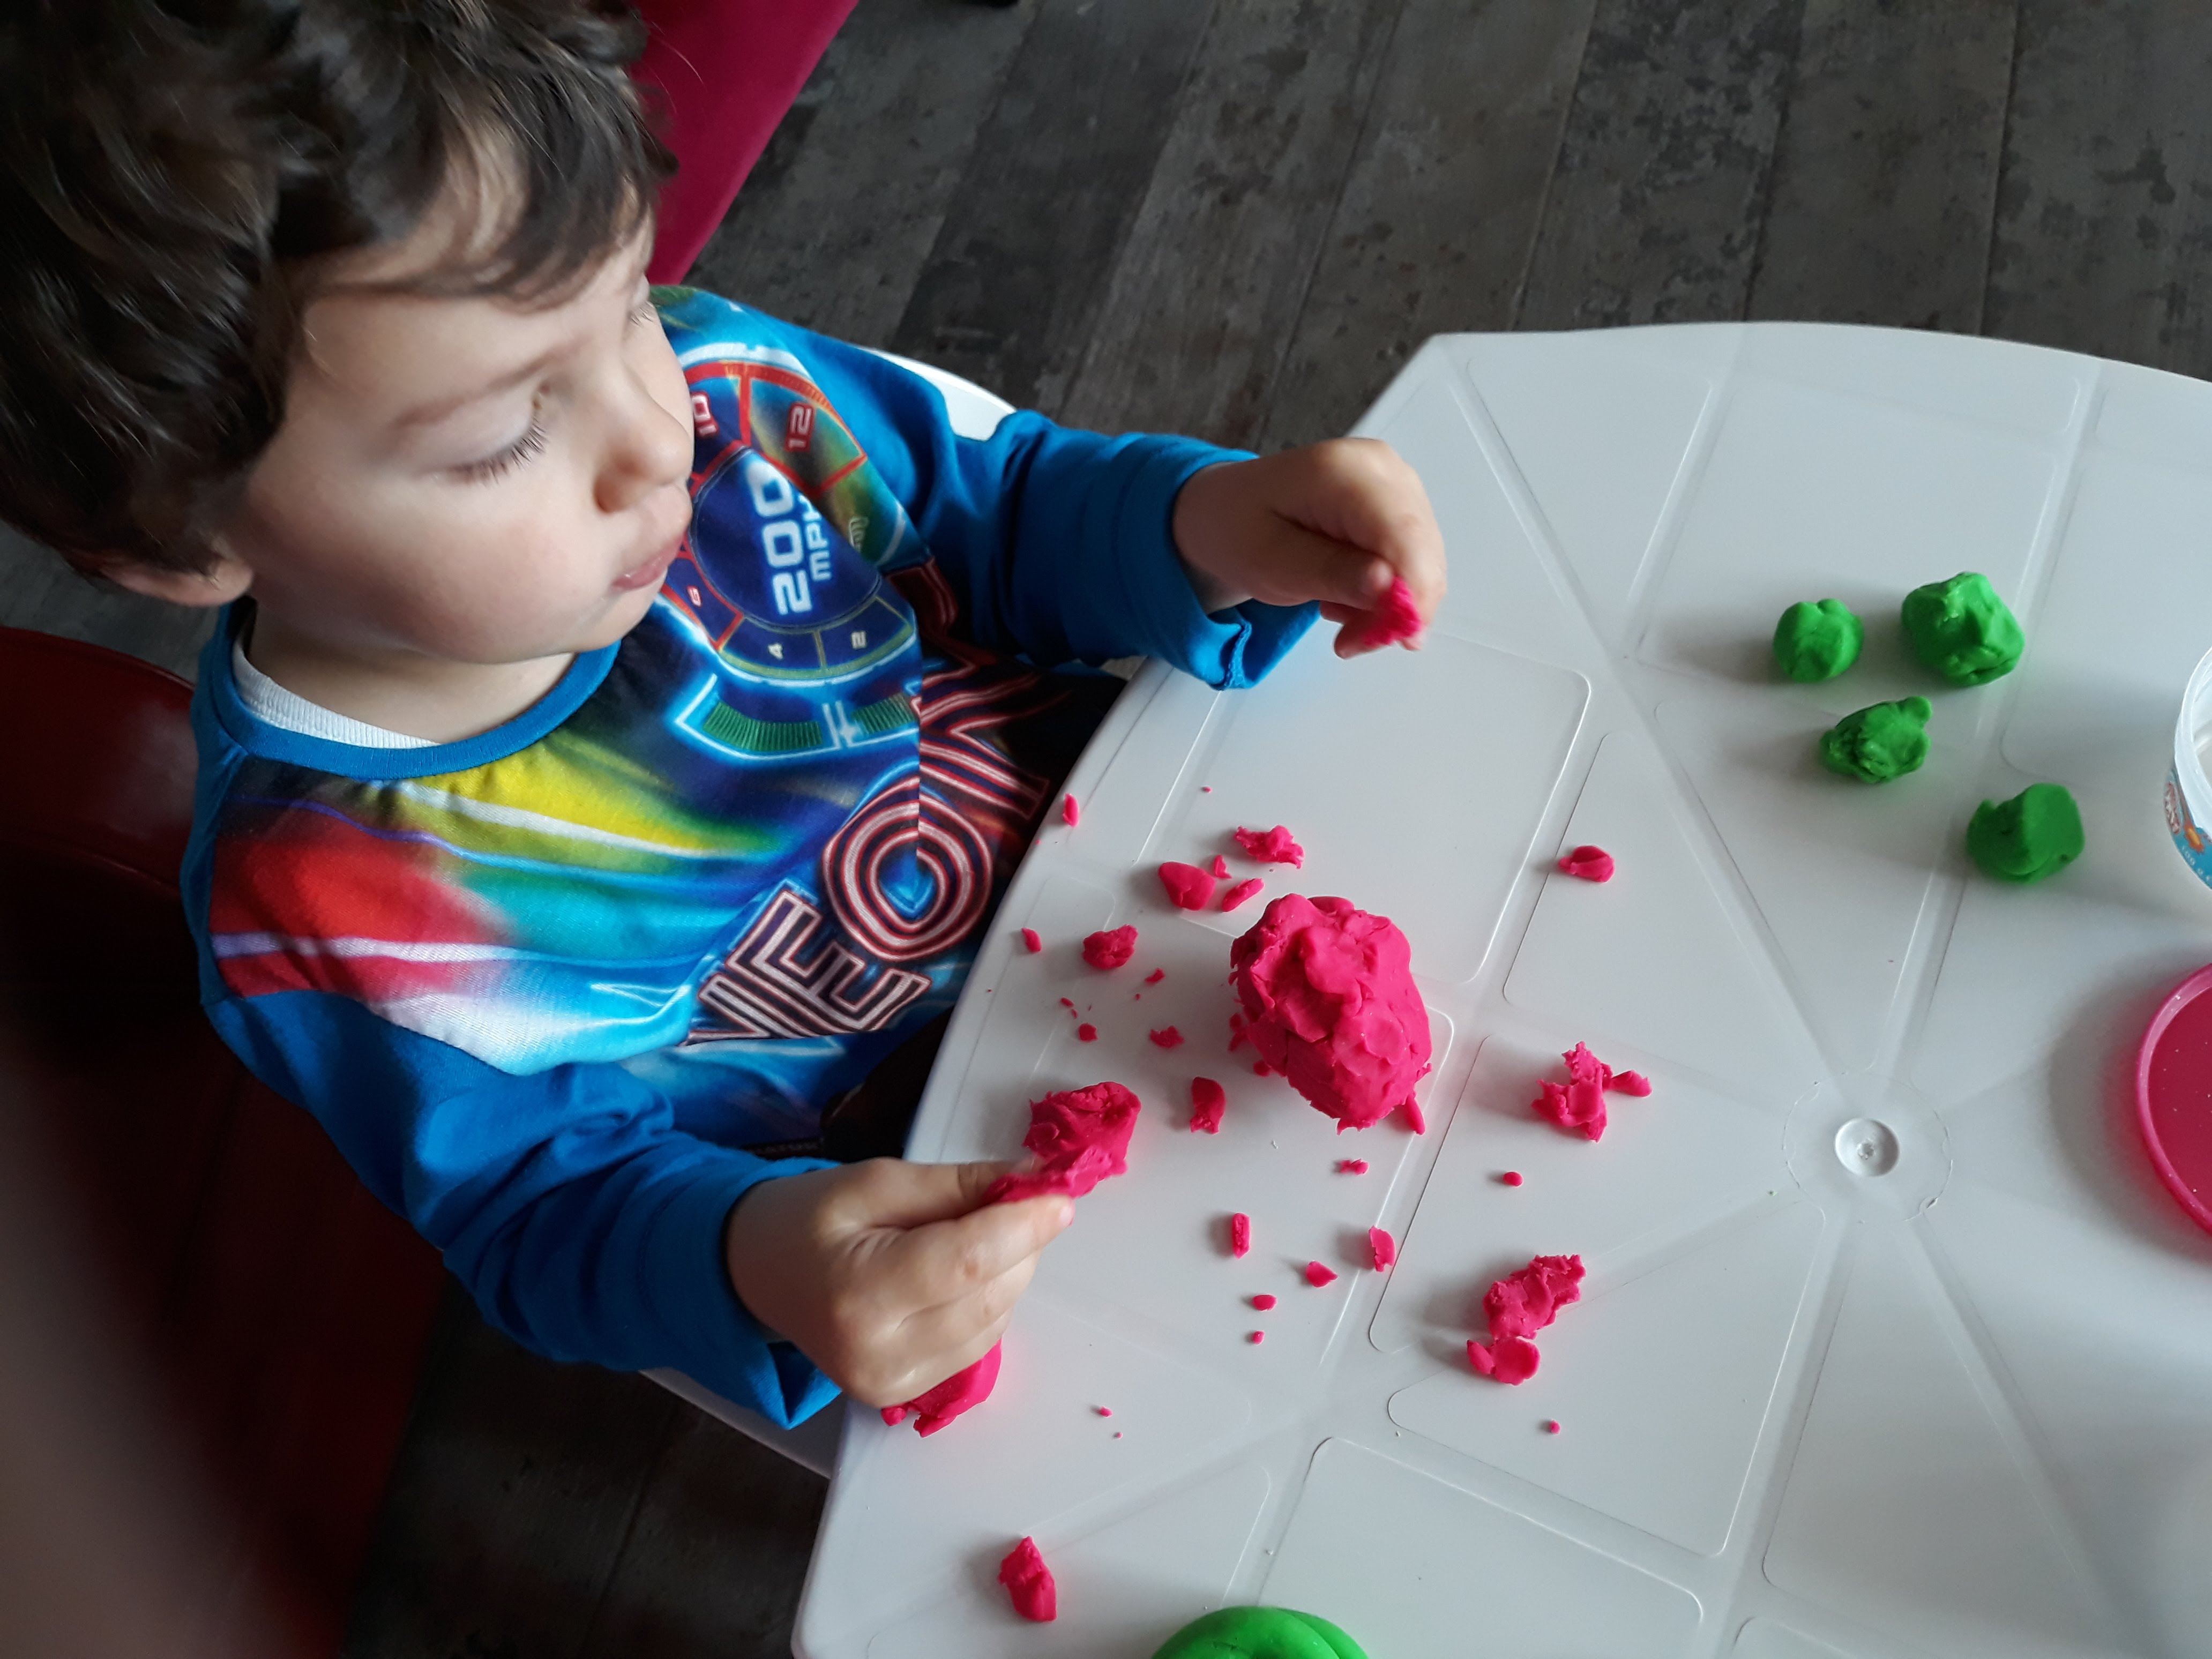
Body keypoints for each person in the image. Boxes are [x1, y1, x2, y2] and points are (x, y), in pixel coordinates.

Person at [0, 0, 1445, 1428]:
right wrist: (758, 1259)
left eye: (629, 299)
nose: (655, 434)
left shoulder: (727, 396)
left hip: (1202, 892)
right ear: (180, 541)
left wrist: (1206, 525)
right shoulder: (319, 906)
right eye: (507, 431)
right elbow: (543, 1208)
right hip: (988, 1234)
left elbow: (1004, 512)